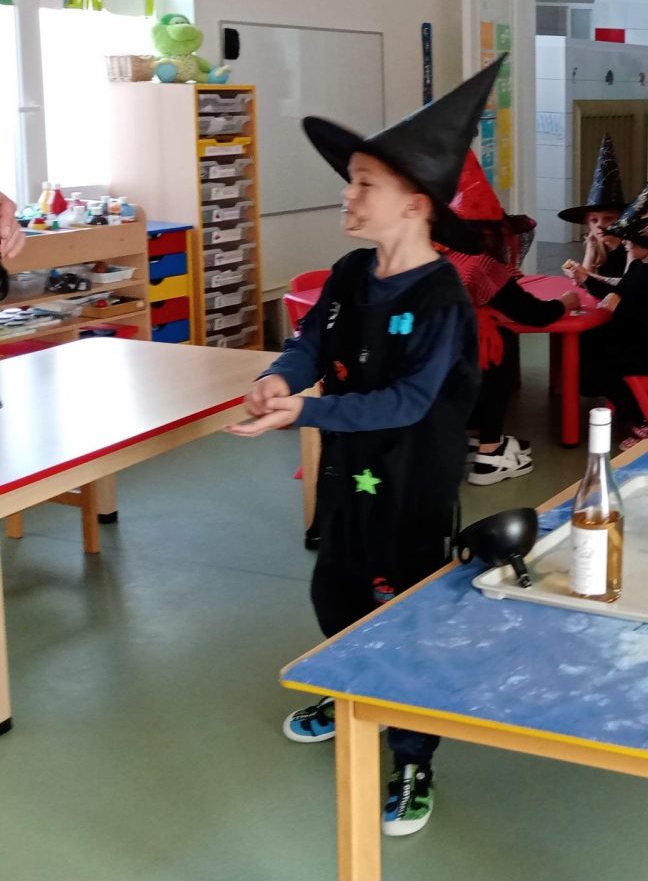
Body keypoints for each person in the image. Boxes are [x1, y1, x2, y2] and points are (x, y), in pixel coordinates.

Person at [227, 60, 500, 837]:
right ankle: (351, 686)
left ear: (415, 204)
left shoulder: (442, 299)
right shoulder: (351, 274)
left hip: (410, 488)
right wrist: (279, 380)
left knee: (404, 616)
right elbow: (310, 343)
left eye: (364, 184)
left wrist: (306, 411)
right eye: (350, 181)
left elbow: (410, 401)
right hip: (349, 476)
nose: (348, 197)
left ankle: (413, 755)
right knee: (337, 592)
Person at [442, 150, 578, 485]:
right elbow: (532, 313)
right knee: (496, 352)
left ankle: (472, 435)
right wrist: (566, 302)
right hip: (462, 347)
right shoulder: (482, 262)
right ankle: (490, 454)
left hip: (430, 347)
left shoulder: (440, 253)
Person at [576, 148, 648, 447]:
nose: (626, 243)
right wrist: (588, 280)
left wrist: (619, 306)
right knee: (587, 344)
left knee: (600, 367)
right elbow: (620, 293)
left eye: (633, 240)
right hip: (636, 341)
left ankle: (640, 419)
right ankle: (614, 399)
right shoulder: (639, 267)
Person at [558, 133, 628, 298]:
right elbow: (585, 284)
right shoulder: (599, 246)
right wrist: (590, 250)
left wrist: (585, 276)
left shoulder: (629, 248)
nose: (600, 225)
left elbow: (626, 286)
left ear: (620, 219)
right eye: (594, 220)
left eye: (608, 218)